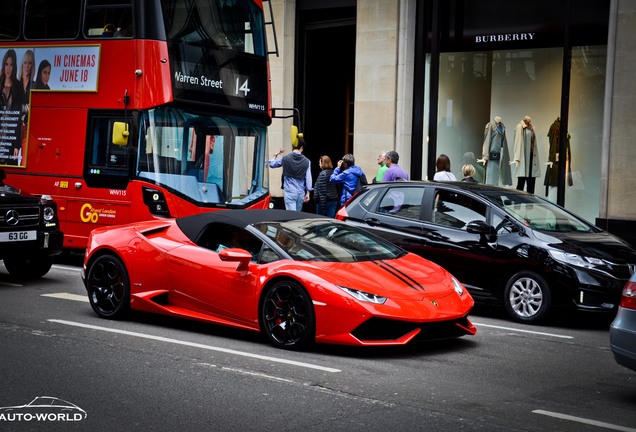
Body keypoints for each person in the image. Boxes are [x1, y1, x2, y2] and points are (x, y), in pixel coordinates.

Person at [269, 138, 312, 211]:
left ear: (292, 146)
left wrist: (276, 155)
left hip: (289, 191)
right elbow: (308, 178)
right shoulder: (307, 161)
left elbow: (272, 164)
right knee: (297, 216)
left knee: (292, 216)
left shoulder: (285, 158)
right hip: (300, 192)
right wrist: (308, 192)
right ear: (301, 148)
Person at [479, 116, 512, 186]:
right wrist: (485, 156)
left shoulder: (502, 126)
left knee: (502, 174)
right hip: (493, 153)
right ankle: (490, 190)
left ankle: (499, 190)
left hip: (502, 152)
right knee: (492, 175)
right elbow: (487, 140)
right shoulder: (491, 125)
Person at [512, 115, 540, 193]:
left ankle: (530, 203)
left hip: (531, 160)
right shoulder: (520, 126)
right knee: (520, 184)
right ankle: (517, 203)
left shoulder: (531, 127)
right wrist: (517, 158)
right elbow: (518, 142)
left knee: (531, 185)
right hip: (523, 161)